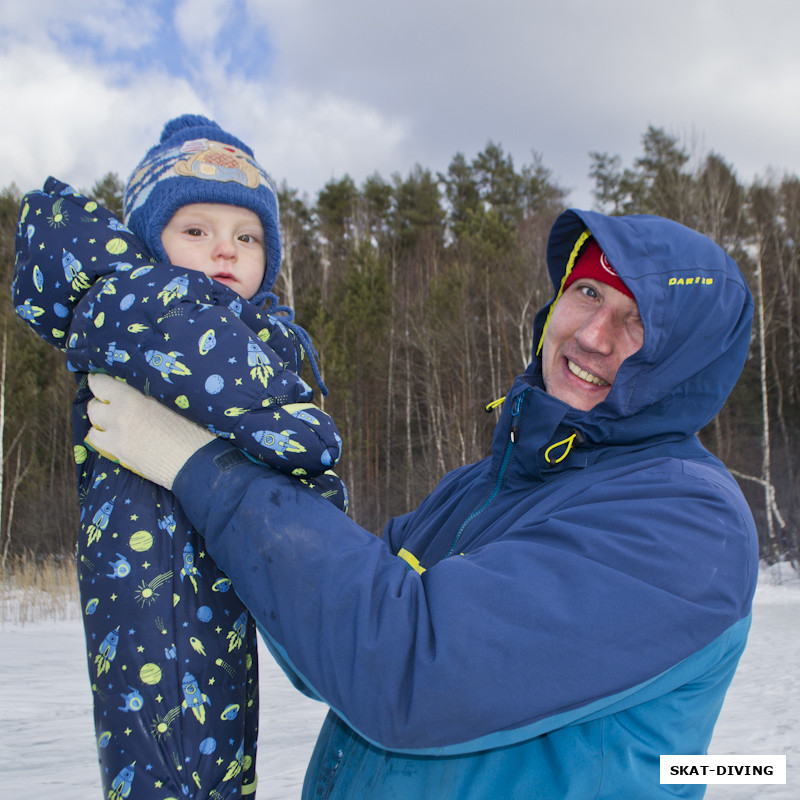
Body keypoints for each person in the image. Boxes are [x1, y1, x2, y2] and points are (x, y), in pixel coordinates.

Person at [84, 209, 758, 799]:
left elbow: (404, 669)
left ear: (684, 369)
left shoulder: (688, 522)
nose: (594, 336)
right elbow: (328, 653)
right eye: (587, 292)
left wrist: (209, 469)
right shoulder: (483, 485)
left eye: (636, 322)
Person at [13, 115, 345, 799]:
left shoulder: (225, 327)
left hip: (203, 591)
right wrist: (313, 441)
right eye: (196, 231)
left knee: (222, 763)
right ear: (150, 241)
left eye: (247, 237)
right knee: (172, 772)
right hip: (152, 596)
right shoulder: (147, 305)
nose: (225, 251)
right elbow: (291, 432)